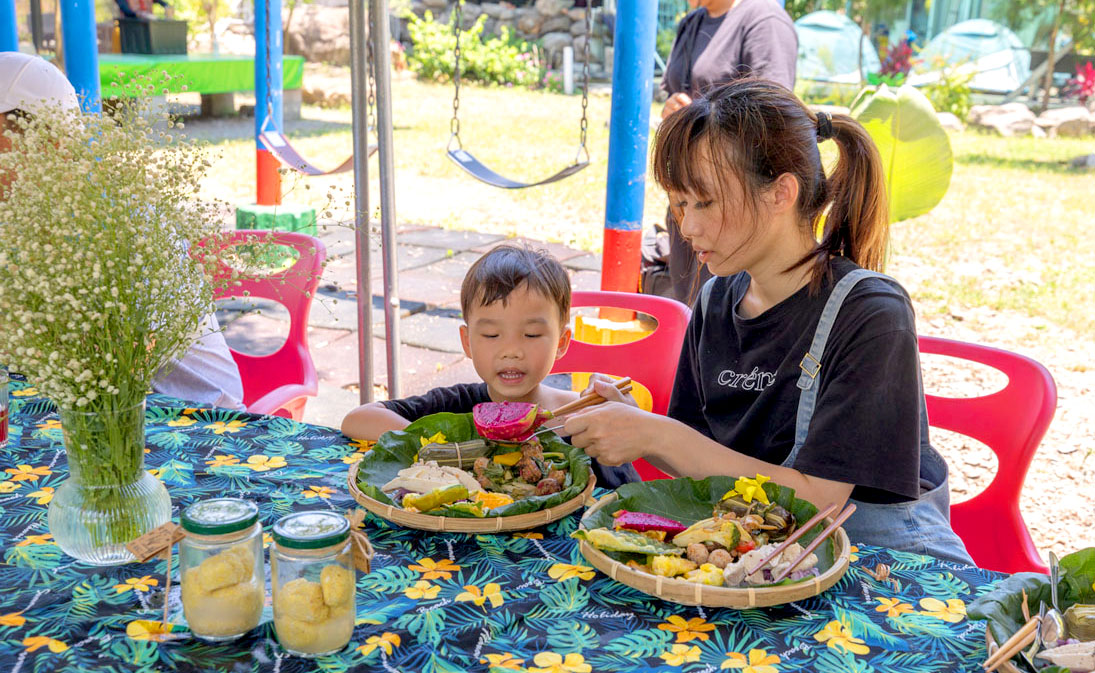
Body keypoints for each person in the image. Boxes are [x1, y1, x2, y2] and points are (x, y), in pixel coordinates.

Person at [565, 79, 973, 564]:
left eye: (705, 202)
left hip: (886, 565)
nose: (688, 227)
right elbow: (700, 454)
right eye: (680, 204)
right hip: (765, 559)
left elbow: (820, 503)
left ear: (781, 193)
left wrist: (657, 434)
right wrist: (636, 424)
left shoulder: (871, 314)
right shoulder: (717, 298)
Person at [0, 53, 245, 411]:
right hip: (80, 411)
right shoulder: (21, 216)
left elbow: (122, 356)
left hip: (193, 418)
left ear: (43, 139)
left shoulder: (124, 220)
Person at [341, 245, 640, 488]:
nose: (511, 351)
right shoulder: (457, 405)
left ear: (561, 342)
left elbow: (627, 498)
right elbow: (358, 418)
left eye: (531, 335)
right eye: (491, 335)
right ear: (467, 342)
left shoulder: (585, 418)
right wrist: (441, 448)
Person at [645, 0, 798, 304]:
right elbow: (676, 93)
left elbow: (772, 117)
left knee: (728, 302)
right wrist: (674, 112)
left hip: (732, 200)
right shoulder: (691, 22)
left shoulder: (763, 21)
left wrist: (704, 124)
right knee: (691, 300)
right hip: (687, 189)